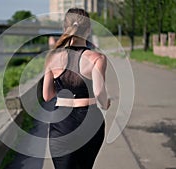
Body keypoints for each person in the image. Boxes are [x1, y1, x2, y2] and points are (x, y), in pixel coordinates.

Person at [43, 8, 111, 169]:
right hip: (90, 121)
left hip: (61, 124)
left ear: (64, 29)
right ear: (88, 30)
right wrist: (105, 103)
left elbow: (47, 96)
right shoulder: (97, 58)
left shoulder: (52, 57)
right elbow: (99, 91)